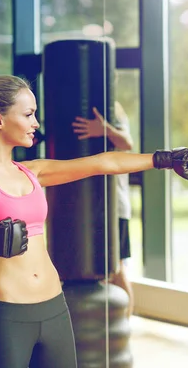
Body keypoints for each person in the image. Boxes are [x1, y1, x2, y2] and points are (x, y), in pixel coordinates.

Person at [0, 75, 188, 368]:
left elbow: (102, 163)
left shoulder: (32, 171)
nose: (36, 124)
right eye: (29, 114)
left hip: (54, 308)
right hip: (6, 316)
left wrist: (164, 158)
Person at [72, 101, 135, 318]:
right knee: (102, 271)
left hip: (115, 207)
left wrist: (104, 129)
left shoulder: (114, 109)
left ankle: (125, 327)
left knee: (117, 269)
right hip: (87, 207)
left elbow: (128, 143)